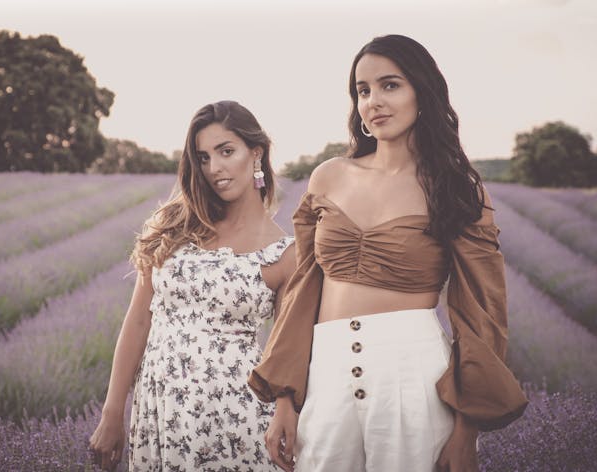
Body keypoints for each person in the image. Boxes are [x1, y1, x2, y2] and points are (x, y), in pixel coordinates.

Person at [248, 35, 528, 472]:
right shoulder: (328, 177)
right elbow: (303, 291)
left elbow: (482, 312)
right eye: (363, 91)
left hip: (413, 377)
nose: (373, 101)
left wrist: (466, 430)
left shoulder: (455, 189)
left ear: (423, 91)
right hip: (327, 373)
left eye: (390, 85)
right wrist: (286, 398)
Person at [89, 100, 296, 471]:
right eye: (202, 157)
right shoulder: (173, 226)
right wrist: (112, 410)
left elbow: (288, 350)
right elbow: (138, 321)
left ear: (256, 152)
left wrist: (285, 412)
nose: (214, 168)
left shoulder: (284, 253)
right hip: (159, 411)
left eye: (226, 151)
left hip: (236, 416)